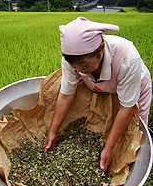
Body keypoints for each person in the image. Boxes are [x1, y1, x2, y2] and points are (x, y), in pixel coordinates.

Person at [44, 16, 152, 172]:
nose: (79, 70)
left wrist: (109, 147)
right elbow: (66, 95)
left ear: (101, 48)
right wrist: (53, 132)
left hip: (134, 90)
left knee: (134, 135)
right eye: (74, 65)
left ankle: (139, 169)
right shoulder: (72, 60)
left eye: (85, 65)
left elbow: (126, 108)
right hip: (102, 87)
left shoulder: (127, 58)